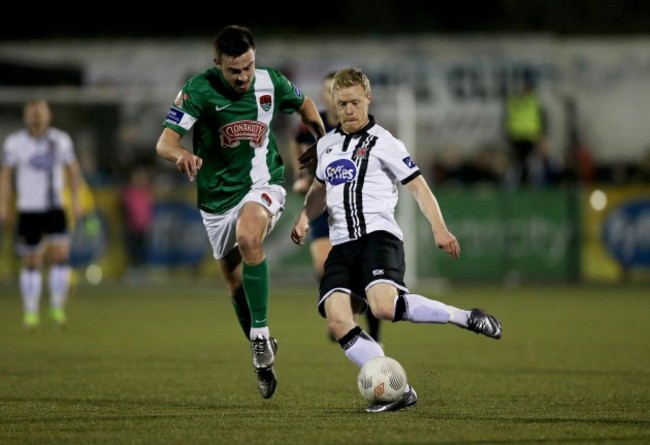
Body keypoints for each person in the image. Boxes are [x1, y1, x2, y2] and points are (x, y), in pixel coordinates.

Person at [291, 67, 502, 413]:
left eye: (354, 103)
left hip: (378, 237)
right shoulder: (326, 145)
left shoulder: (385, 142)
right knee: (337, 321)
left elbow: (418, 187)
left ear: (368, 100)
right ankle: (398, 391)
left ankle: (464, 316)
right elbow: (318, 190)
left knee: (384, 307)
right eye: (341, 103)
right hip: (341, 246)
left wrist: (439, 227)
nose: (348, 110)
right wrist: (303, 217)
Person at [155, 25, 326, 400]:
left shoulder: (271, 82)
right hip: (216, 199)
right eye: (235, 70)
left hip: (263, 183)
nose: (244, 76)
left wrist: (323, 141)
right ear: (218, 64)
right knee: (235, 286)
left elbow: (307, 106)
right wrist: (182, 154)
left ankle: (261, 335)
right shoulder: (197, 90)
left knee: (249, 236)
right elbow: (164, 143)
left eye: (248, 66)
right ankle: (261, 356)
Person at [289, 71, 383, 344]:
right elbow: (297, 143)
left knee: (369, 276)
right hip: (323, 207)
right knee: (322, 263)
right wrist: (302, 176)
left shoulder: (359, 125)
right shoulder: (311, 125)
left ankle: (372, 334)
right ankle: (343, 312)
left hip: (353, 208)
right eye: (330, 92)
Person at [0, 99, 84, 329]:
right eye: (32, 112)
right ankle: (30, 311)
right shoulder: (15, 143)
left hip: (55, 207)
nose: (36, 116)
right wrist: (3, 204)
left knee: (60, 257)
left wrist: (77, 201)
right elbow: (6, 175)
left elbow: (73, 172)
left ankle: (57, 308)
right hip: (29, 208)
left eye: (40, 112)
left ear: (49, 115)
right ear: (26, 116)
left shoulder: (60, 140)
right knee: (31, 261)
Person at [503, 74, 547, 186]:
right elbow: (507, 119)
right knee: (517, 164)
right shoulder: (512, 101)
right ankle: (515, 185)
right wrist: (509, 135)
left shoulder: (535, 102)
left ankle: (534, 185)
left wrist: (541, 136)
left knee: (533, 163)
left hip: (531, 137)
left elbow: (542, 119)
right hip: (516, 138)